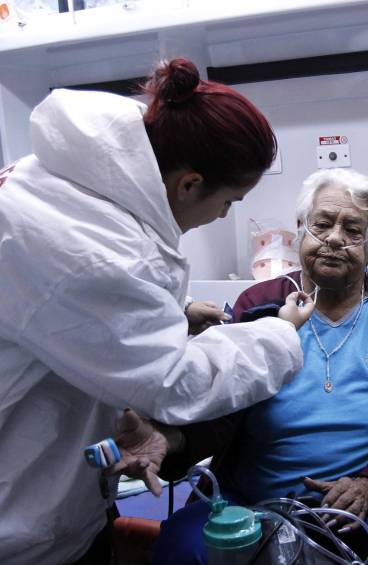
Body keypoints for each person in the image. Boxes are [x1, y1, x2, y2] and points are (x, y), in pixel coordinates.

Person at [0, 59, 314, 565]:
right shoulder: (84, 252)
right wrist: (278, 333)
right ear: (189, 184)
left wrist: (170, 314)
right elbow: (176, 383)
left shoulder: (59, 186)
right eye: (230, 201)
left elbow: (67, 310)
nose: (221, 215)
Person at [152, 168, 368, 565]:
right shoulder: (260, 304)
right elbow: (222, 407)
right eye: (322, 224)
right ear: (301, 229)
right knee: (183, 541)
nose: (335, 238)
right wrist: (173, 441)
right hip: (257, 498)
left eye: (353, 230)